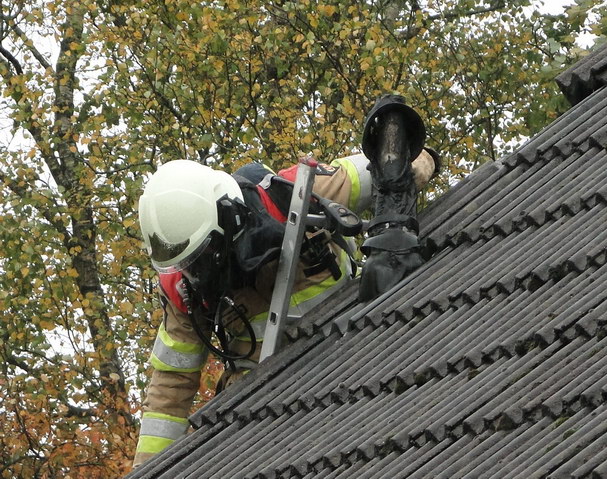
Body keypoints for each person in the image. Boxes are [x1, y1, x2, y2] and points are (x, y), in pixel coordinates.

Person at [133, 148, 438, 467]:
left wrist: (415, 166)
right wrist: (146, 470)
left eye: (201, 257)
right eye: (186, 263)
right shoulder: (184, 287)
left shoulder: (295, 194)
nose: (196, 270)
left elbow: (392, 160)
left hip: (358, 363)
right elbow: (171, 386)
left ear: (227, 219)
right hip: (266, 419)